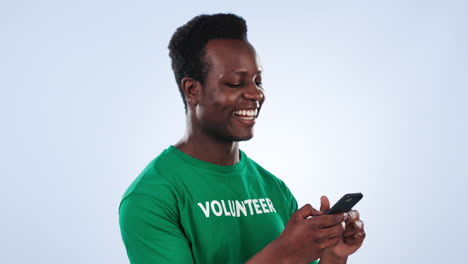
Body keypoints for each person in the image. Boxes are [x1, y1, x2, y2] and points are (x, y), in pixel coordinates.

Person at [119, 13, 365, 264]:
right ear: (193, 90)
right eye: (236, 83)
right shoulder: (151, 198)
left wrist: (333, 256)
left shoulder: (273, 188)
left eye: (258, 81)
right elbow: (284, 256)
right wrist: (283, 253)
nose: (256, 94)